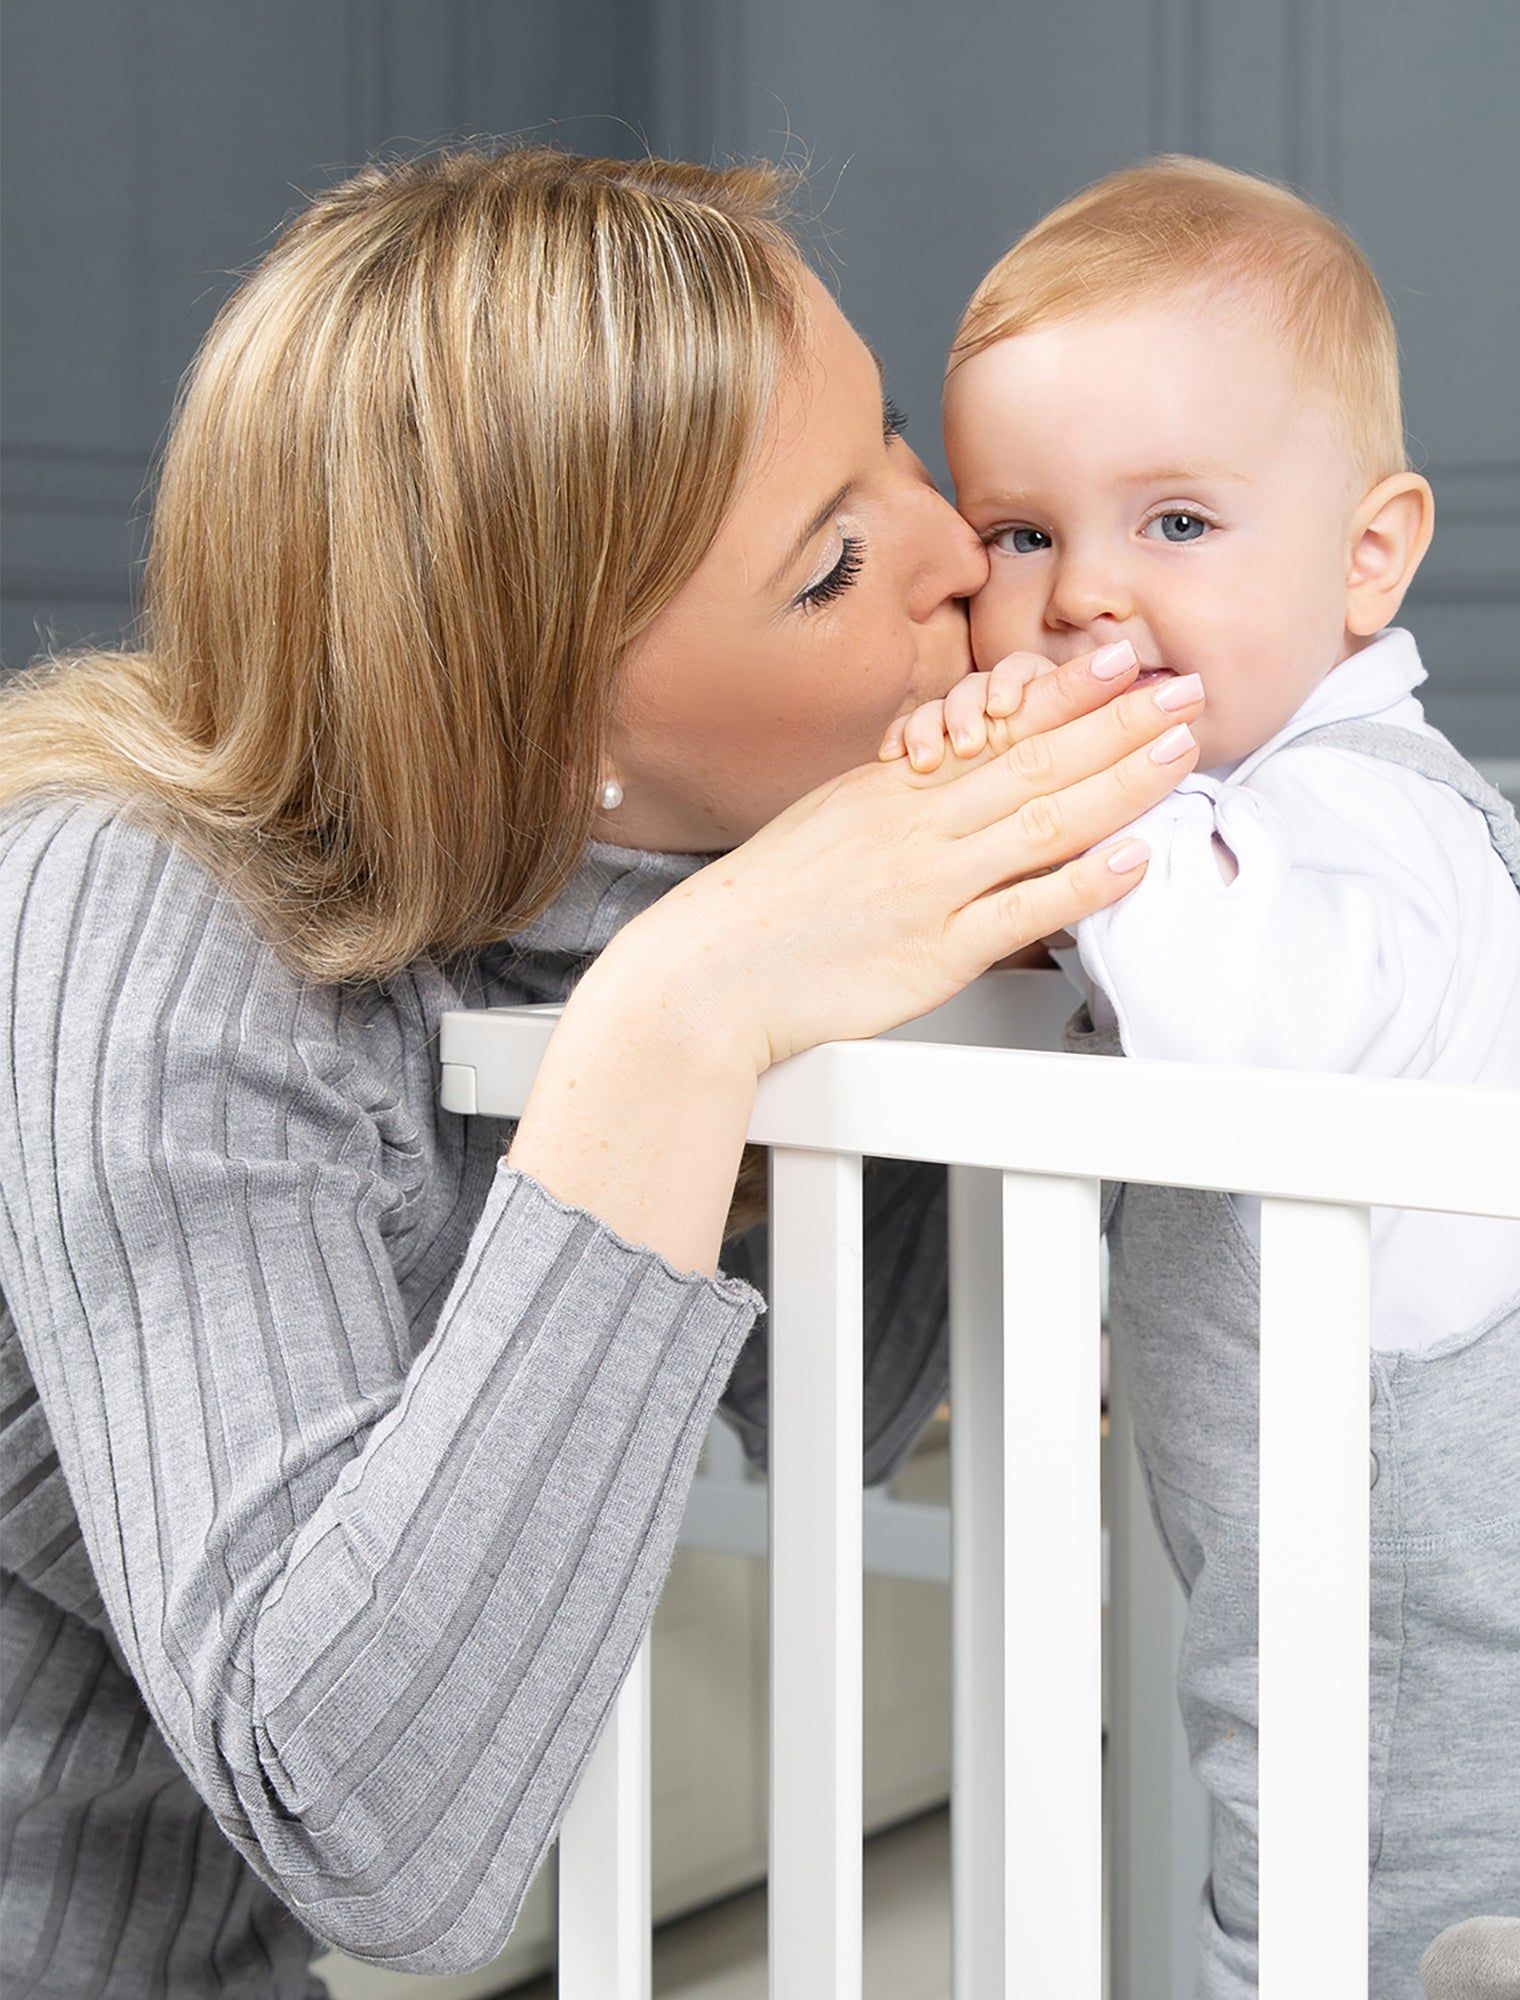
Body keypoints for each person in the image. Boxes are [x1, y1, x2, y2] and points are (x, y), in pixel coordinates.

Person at [0, 144, 1209, 1997]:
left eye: (893, 442)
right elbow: (374, 1840)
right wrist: (682, 1019)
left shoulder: (597, 886)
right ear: (547, 734)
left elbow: (839, 1403)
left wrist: (986, 960)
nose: (964, 551)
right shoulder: (130, 897)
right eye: (832, 566)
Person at [884, 155, 1520, 1998]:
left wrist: (1050, 782)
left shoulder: (1346, 824)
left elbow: (1237, 1011)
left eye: (1176, 523)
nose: (1085, 595)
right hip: (1453, 1603)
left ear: (1370, 552)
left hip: (1444, 1633)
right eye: (1022, 535)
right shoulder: (1291, 816)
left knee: (1328, 1953)